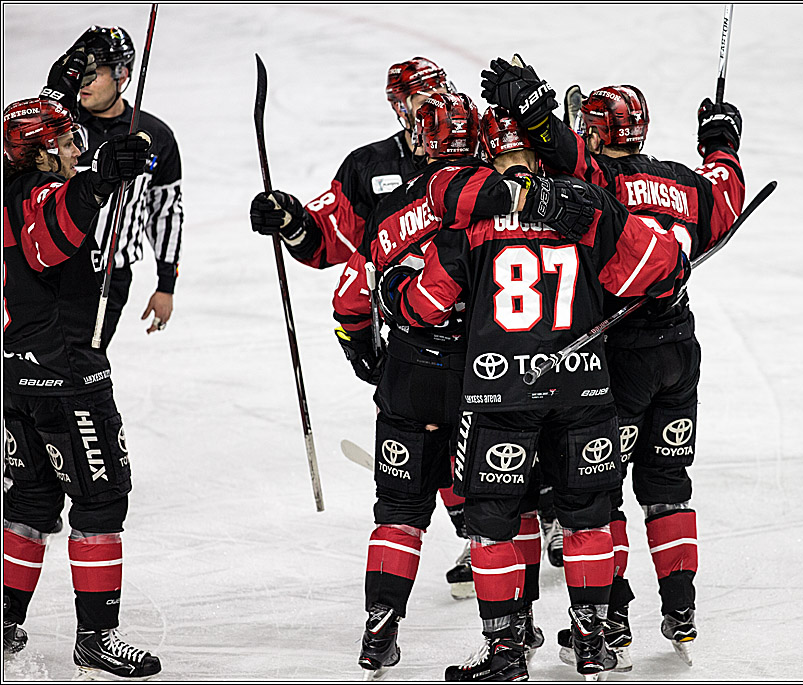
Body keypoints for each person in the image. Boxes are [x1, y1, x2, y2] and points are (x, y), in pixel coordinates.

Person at [384, 104, 687, 681]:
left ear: (489, 150)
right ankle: (594, 643)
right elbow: (664, 268)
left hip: (500, 396)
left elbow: (425, 307)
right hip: (584, 391)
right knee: (587, 519)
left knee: (493, 523)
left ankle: (506, 653)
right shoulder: (586, 208)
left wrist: (394, 286)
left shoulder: (470, 221)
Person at [480, 56, 747, 668]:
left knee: (605, 493)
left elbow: (560, 155)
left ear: (597, 133)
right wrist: (721, 141)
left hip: (617, 357)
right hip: (678, 349)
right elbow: (725, 203)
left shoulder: (598, 178)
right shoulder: (685, 182)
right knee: (669, 486)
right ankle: (681, 608)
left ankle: (614, 618)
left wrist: (533, 109)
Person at [328, 92, 592, 679]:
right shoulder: (478, 201)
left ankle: (380, 631)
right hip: (479, 376)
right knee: (498, 506)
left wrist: (366, 355)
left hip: (407, 376)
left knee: (398, 510)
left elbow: (351, 298)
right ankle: (512, 628)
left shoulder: (392, 209)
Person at [248, 57, 480, 596]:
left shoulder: (477, 142)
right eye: (419, 97)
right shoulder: (369, 166)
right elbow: (328, 242)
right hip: (417, 328)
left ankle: (546, 516)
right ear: (399, 107)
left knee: (505, 426)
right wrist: (288, 218)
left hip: (489, 323)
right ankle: (475, 535)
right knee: (435, 435)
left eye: (437, 91)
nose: (431, 104)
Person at [2, 42, 160, 679]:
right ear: (41, 151)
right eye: (66, 141)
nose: (77, 147)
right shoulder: (38, 195)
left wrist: (101, 176)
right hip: (64, 378)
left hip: (18, 374)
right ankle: (97, 636)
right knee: (101, 502)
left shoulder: (15, 184)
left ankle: (7, 618)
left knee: (32, 503)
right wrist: (97, 181)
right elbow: (49, 242)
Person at [74, 26, 184, 345]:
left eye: (96, 73)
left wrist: (166, 286)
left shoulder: (154, 138)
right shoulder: (59, 128)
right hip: (46, 273)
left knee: (85, 366)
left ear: (122, 75)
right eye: (81, 70)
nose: (84, 80)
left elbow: (166, 213)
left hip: (108, 279)